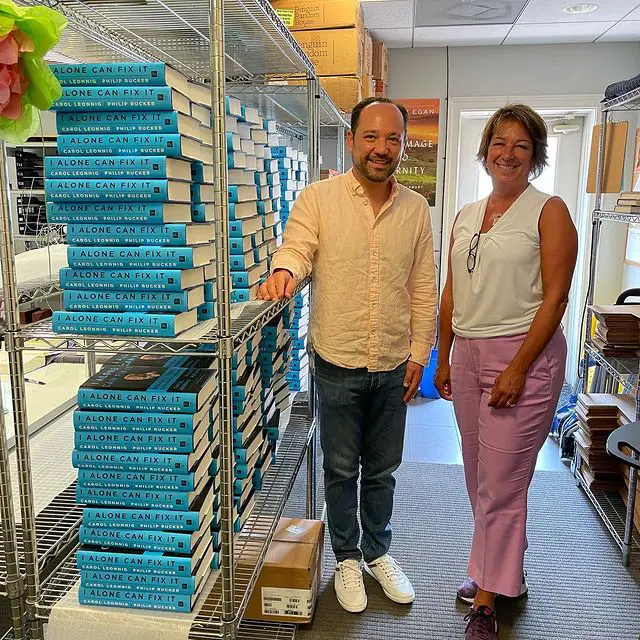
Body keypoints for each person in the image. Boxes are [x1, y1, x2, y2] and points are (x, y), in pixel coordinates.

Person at [258, 97, 438, 613]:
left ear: (402, 144)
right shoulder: (319, 199)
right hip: (336, 359)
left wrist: (420, 355)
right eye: (371, 137)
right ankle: (346, 558)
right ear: (354, 138)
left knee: (382, 469)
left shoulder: (415, 210)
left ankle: (379, 552)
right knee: (340, 468)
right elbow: (298, 247)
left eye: (393, 139)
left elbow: (424, 287)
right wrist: (286, 272)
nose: (382, 149)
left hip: (393, 361)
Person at [434, 104, 578, 640]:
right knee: (478, 476)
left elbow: (557, 296)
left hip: (525, 358)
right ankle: (504, 572)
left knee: (501, 482)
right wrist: (444, 352)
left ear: (535, 155)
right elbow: (452, 291)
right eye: (499, 142)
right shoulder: (467, 214)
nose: (508, 154)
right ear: (485, 150)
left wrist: (519, 367)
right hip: (469, 356)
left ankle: (488, 599)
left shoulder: (549, 210)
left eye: (521, 145)